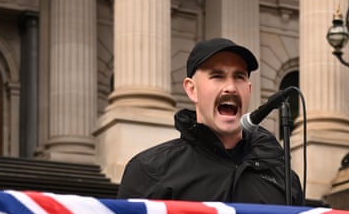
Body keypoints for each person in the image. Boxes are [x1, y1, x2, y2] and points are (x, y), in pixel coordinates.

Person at [118, 38, 304, 204]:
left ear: (249, 90)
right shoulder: (149, 170)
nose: (231, 87)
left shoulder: (286, 180)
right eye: (217, 76)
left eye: (239, 77)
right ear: (192, 89)